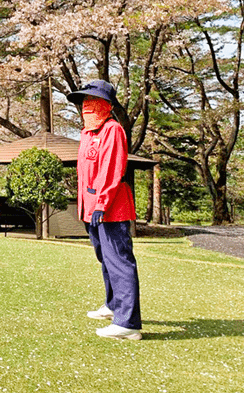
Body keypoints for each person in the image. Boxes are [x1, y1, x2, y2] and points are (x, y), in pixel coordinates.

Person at [67, 80, 142, 340]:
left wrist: (101, 203)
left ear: (107, 106)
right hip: (92, 210)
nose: (87, 107)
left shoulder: (113, 131)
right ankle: (113, 306)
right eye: (84, 102)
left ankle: (128, 324)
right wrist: (86, 207)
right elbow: (84, 174)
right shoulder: (87, 134)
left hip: (111, 209)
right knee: (105, 260)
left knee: (119, 261)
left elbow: (112, 169)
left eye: (93, 101)